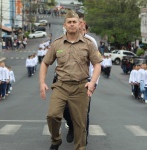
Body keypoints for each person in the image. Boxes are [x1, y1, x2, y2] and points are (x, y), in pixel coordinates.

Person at [39, 10, 102, 150]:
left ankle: (80, 147)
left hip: (80, 87)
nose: (72, 25)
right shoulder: (57, 44)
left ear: (79, 24)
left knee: (80, 124)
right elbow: (45, 63)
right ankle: (56, 140)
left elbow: (97, 64)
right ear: (65, 25)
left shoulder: (88, 43)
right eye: (69, 22)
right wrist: (42, 83)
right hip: (61, 86)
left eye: (74, 22)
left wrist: (92, 82)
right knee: (52, 115)